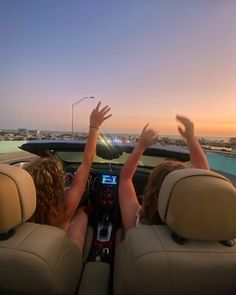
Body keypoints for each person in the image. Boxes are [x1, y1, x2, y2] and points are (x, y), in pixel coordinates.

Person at [26, 101, 112, 251]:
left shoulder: (23, 210)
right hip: (60, 255)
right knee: (83, 213)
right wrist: (94, 126)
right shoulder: (63, 209)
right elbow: (87, 162)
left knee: (80, 211)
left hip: (35, 251)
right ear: (57, 185)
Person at [119, 115, 209, 230]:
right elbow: (204, 175)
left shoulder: (137, 223)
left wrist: (141, 146)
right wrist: (191, 138)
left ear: (151, 189)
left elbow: (125, 179)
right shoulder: (196, 226)